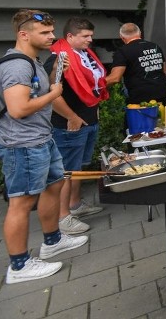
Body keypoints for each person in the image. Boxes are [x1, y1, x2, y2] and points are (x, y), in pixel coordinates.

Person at [0, 10, 88, 284]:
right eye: (45, 33)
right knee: (21, 203)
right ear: (24, 34)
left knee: (53, 187)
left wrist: (55, 77)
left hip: (41, 139)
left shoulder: (31, 63)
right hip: (22, 145)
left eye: (51, 31)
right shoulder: (17, 66)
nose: (52, 36)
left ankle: (53, 241)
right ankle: (19, 266)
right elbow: (18, 108)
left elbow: (33, 94)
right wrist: (54, 93)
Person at [47, 18, 109, 234]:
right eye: (85, 36)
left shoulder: (84, 55)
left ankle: (75, 205)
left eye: (91, 35)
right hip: (70, 125)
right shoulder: (58, 59)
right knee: (66, 172)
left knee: (77, 169)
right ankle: (63, 218)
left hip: (88, 120)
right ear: (70, 37)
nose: (90, 40)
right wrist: (72, 117)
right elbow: (51, 95)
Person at [105, 23, 166, 104]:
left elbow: (115, 78)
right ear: (140, 33)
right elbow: (165, 72)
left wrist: (95, 85)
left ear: (122, 37)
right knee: (162, 116)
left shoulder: (123, 51)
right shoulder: (155, 46)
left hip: (140, 97)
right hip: (162, 93)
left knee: (142, 117)